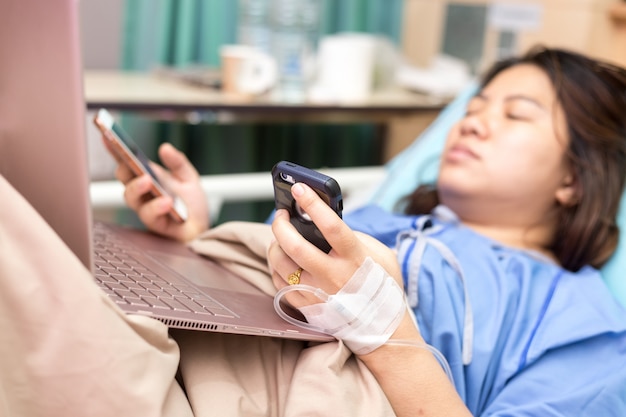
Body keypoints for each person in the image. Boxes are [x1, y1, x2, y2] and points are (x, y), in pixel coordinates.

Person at [3, 45, 625, 416]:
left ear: (575, 177)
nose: (473, 124)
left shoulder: (579, 319)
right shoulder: (386, 223)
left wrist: (385, 331)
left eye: (515, 115)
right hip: (220, 327)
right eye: (475, 107)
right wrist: (196, 235)